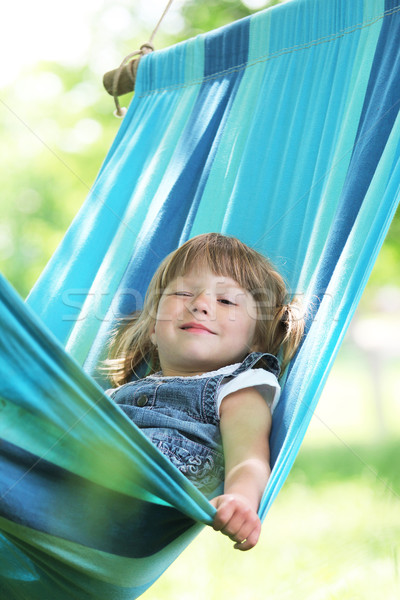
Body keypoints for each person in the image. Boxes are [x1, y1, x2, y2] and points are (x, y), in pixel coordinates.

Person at [104, 233, 304, 550]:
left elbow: (249, 459)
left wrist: (240, 498)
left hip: (140, 502)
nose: (200, 304)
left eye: (225, 301)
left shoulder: (238, 387)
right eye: (183, 293)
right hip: (77, 478)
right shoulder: (116, 396)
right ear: (154, 328)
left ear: (255, 340)